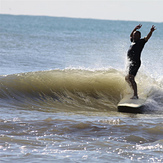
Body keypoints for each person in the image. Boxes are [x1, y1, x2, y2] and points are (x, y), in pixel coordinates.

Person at [125, 24, 156, 99]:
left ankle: (135, 95)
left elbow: (147, 38)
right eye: (134, 34)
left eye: (135, 35)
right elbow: (130, 35)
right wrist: (135, 28)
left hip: (136, 63)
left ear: (139, 36)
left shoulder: (141, 42)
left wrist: (151, 31)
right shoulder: (132, 41)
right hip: (131, 63)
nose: (134, 36)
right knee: (127, 78)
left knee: (131, 78)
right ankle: (134, 91)